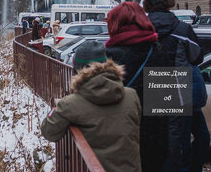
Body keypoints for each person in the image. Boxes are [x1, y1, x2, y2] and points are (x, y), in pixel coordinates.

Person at [41, 40, 142, 172]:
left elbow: (48, 131)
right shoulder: (132, 96)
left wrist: (59, 108)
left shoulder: (70, 104)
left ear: (78, 71)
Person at [143, 0, 209, 172]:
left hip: (152, 85)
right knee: (193, 139)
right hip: (180, 88)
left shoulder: (143, 29)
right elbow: (198, 57)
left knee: (163, 142)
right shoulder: (182, 28)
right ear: (169, 2)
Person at [104, 2, 169, 172]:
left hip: (118, 140)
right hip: (154, 141)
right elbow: (169, 105)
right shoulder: (159, 52)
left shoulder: (109, 57)